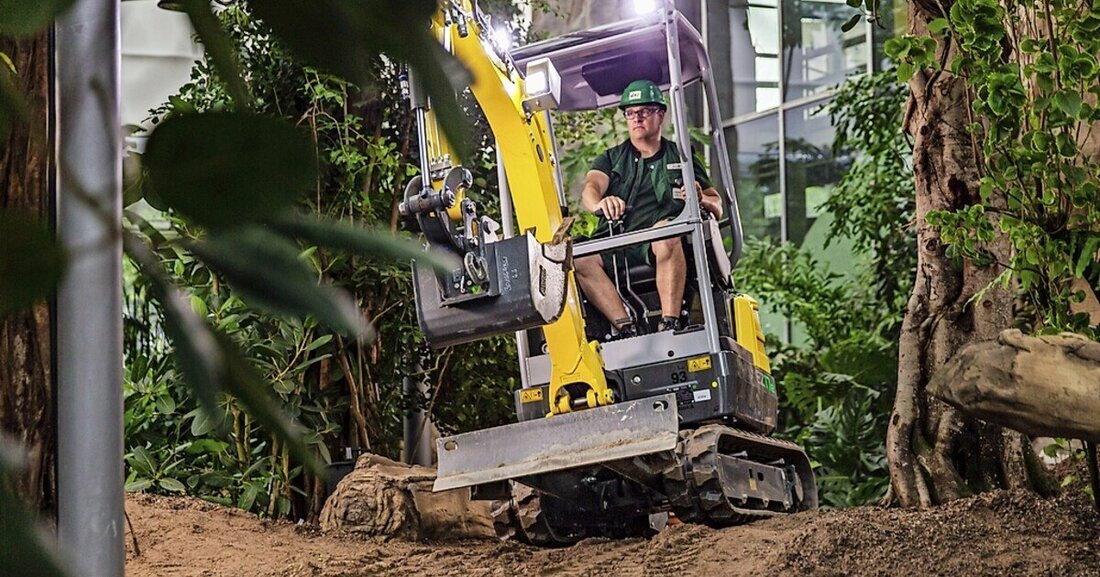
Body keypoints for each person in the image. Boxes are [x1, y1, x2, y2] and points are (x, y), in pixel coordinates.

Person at [574, 79, 723, 336]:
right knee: (580, 257)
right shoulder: (611, 158)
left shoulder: (681, 156)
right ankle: (626, 328)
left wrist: (701, 199)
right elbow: (590, 189)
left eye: (644, 111)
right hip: (618, 242)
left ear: (660, 114)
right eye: (630, 113)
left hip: (662, 244)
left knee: (665, 231)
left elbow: (717, 205)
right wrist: (601, 203)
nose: (636, 118)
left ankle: (669, 323)